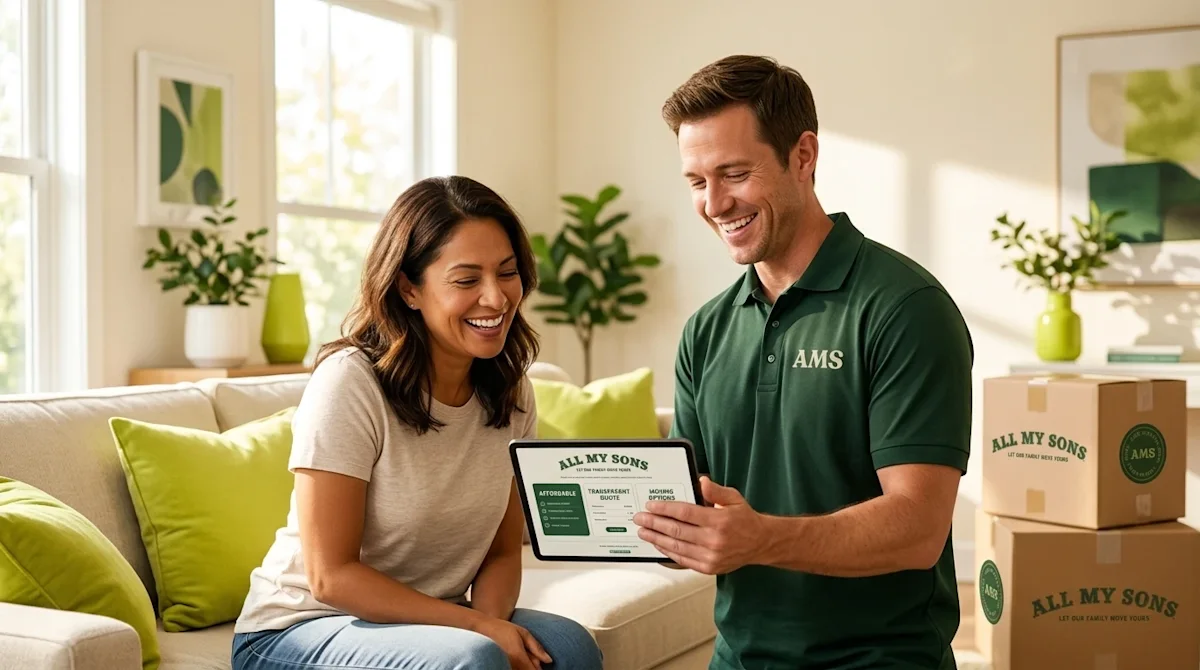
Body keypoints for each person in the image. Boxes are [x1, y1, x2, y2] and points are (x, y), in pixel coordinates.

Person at [631, 55, 974, 669]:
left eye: (735, 173)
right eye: (696, 181)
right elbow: (696, 502)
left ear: (804, 156)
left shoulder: (905, 309)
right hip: (737, 660)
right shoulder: (705, 332)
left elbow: (920, 527)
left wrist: (760, 537)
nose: (715, 203)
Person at [231, 176, 604, 670]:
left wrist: (492, 629)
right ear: (409, 288)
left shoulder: (512, 393)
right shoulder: (350, 382)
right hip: (298, 629)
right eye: (466, 280)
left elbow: (501, 553)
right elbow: (331, 576)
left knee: (571, 648)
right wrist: (479, 631)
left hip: (431, 622)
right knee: (471, 659)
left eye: (507, 272)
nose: (496, 299)